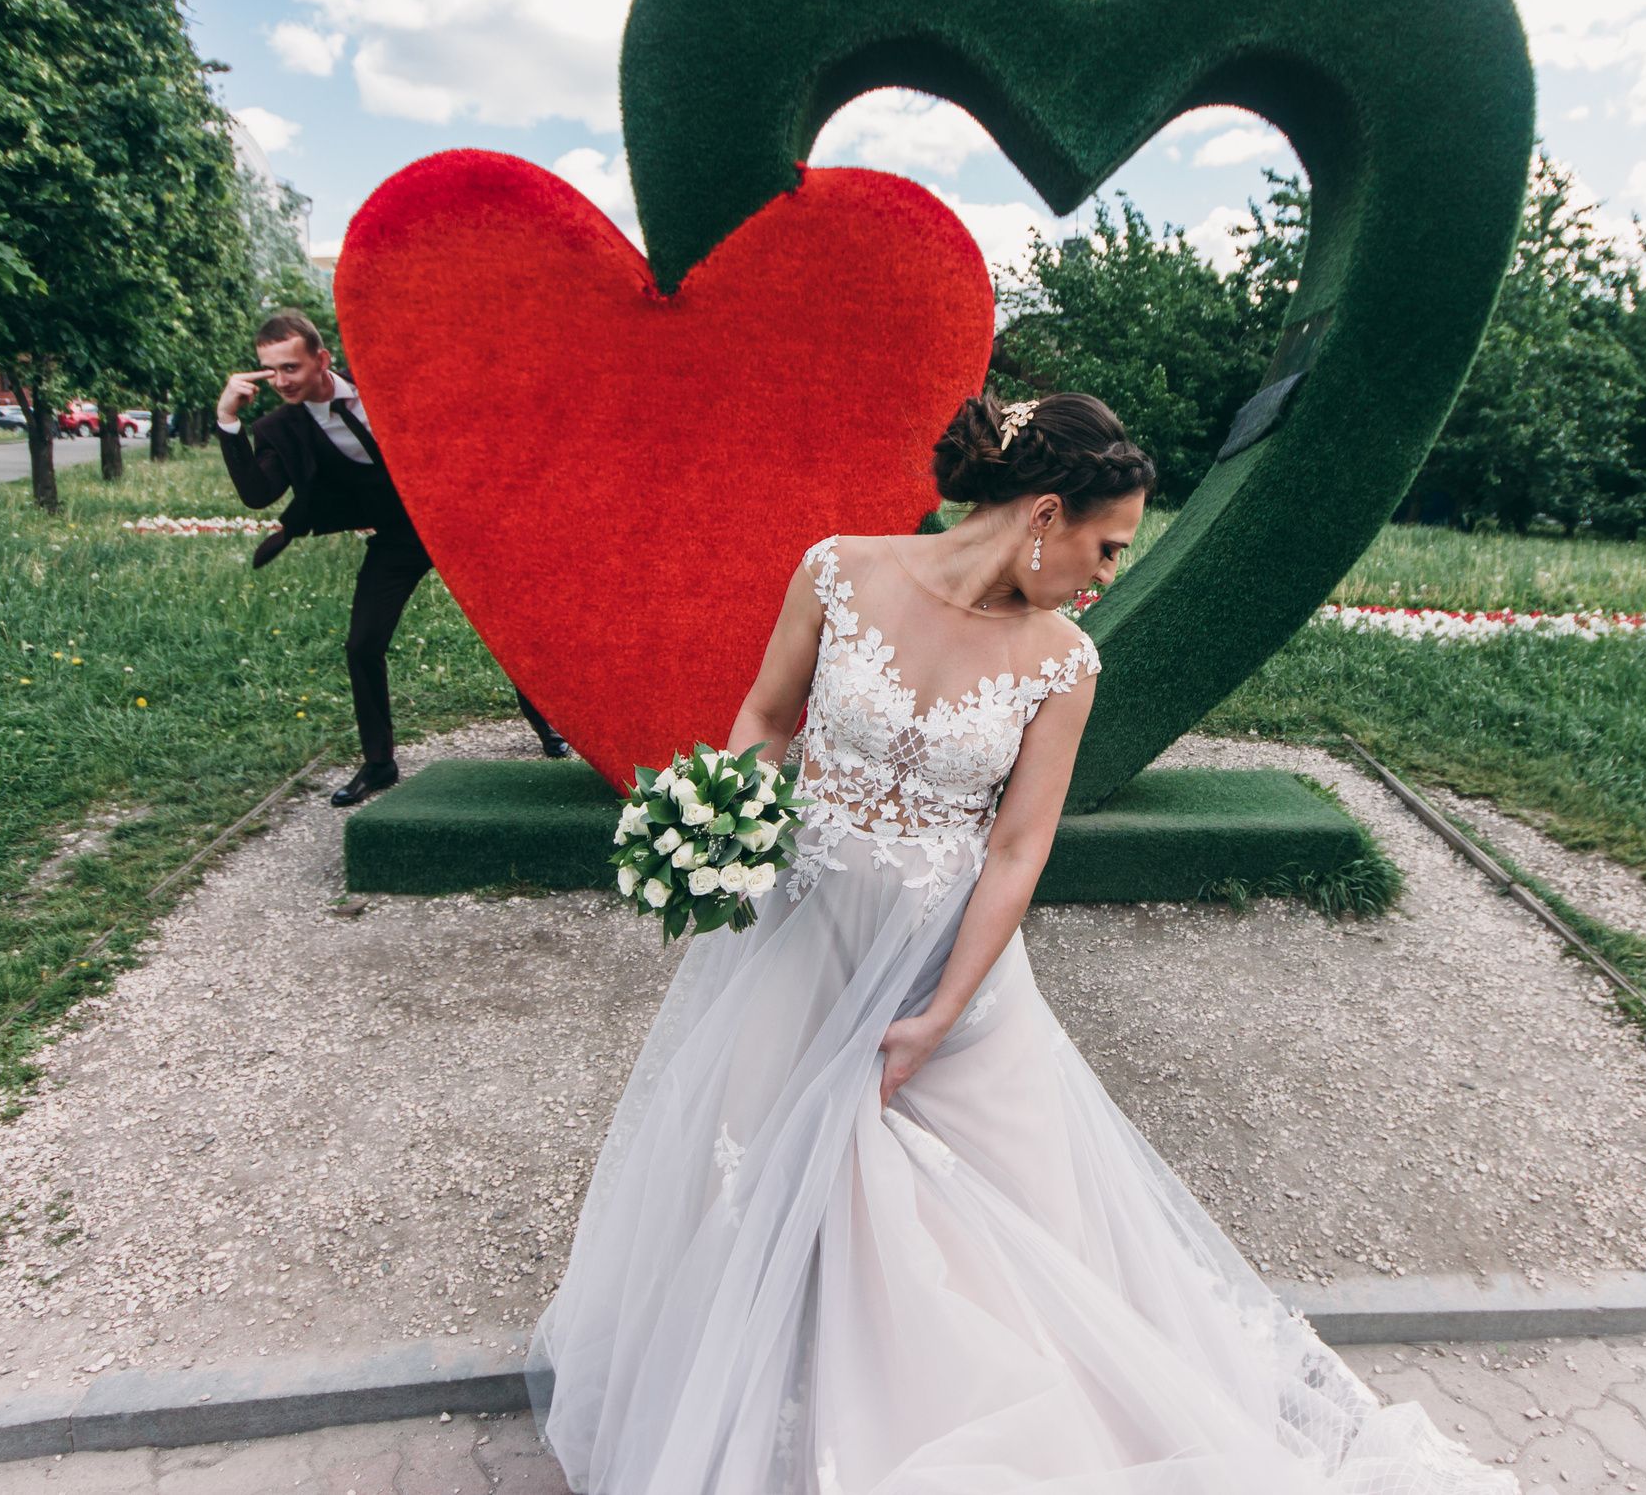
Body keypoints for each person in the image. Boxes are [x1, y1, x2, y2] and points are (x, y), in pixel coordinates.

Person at [528, 393, 1510, 1493]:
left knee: (988, 1230)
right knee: (755, 1162)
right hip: (801, 934)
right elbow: (766, 717)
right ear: (1044, 513)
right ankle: (761, 1422)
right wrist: (728, 822)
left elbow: (1015, 851)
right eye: (1105, 546)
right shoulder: (838, 573)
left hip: (950, 966)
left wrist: (940, 1015)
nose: (1104, 575)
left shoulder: (1062, 661)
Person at [215, 310, 568, 806]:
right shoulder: (280, 427)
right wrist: (227, 420)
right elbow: (257, 493)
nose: (279, 381)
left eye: (290, 368)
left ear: (322, 359)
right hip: (399, 537)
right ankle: (380, 763)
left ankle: (547, 722)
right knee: (362, 643)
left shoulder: (382, 381)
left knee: (511, 626)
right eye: (269, 370)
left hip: (457, 520)